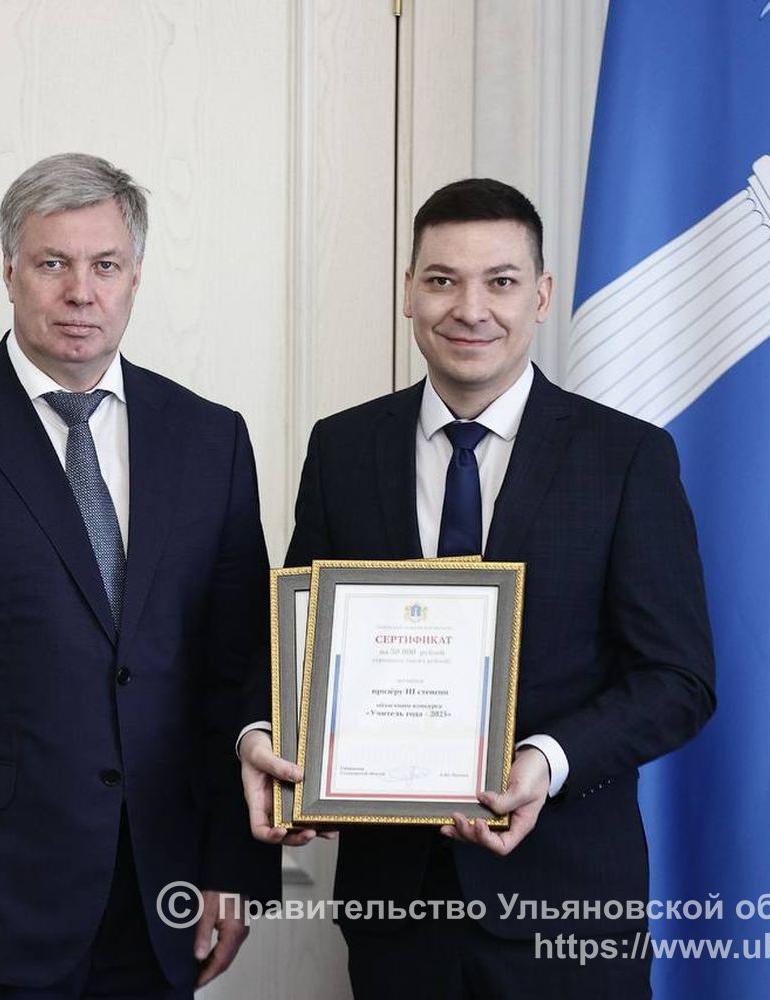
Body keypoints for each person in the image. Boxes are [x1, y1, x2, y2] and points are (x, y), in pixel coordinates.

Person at [238, 178, 716, 998]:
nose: (470, 309)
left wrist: (545, 761)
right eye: (442, 280)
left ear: (542, 296)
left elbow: (678, 680)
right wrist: (262, 733)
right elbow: (298, 644)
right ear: (408, 293)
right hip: (396, 913)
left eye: (500, 281)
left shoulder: (626, 458)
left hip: (567, 906)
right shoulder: (344, 448)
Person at [0, 153, 278, 1000]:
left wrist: (234, 867)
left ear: (135, 276)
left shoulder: (210, 439)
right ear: (9, 271)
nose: (80, 292)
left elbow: (238, 670)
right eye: (52, 264)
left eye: (105, 265)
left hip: (163, 895)